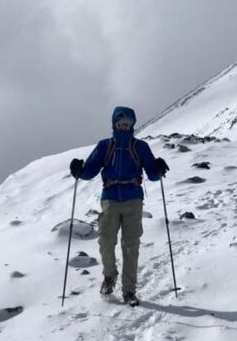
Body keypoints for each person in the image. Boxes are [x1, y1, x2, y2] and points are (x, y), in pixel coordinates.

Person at [69, 106, 169, 306]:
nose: (124, 127)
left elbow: (152, 174)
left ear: (132, 125)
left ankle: (129, 291)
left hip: (133, 199)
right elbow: (90, 171)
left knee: (131, 246)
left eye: (127, 124)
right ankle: (109, 276)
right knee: (106, 241)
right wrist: (79, 170)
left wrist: (158, 170)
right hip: (110, 199)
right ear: (114, 124)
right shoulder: (105, 146)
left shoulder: (140, 147)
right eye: (120, 123)